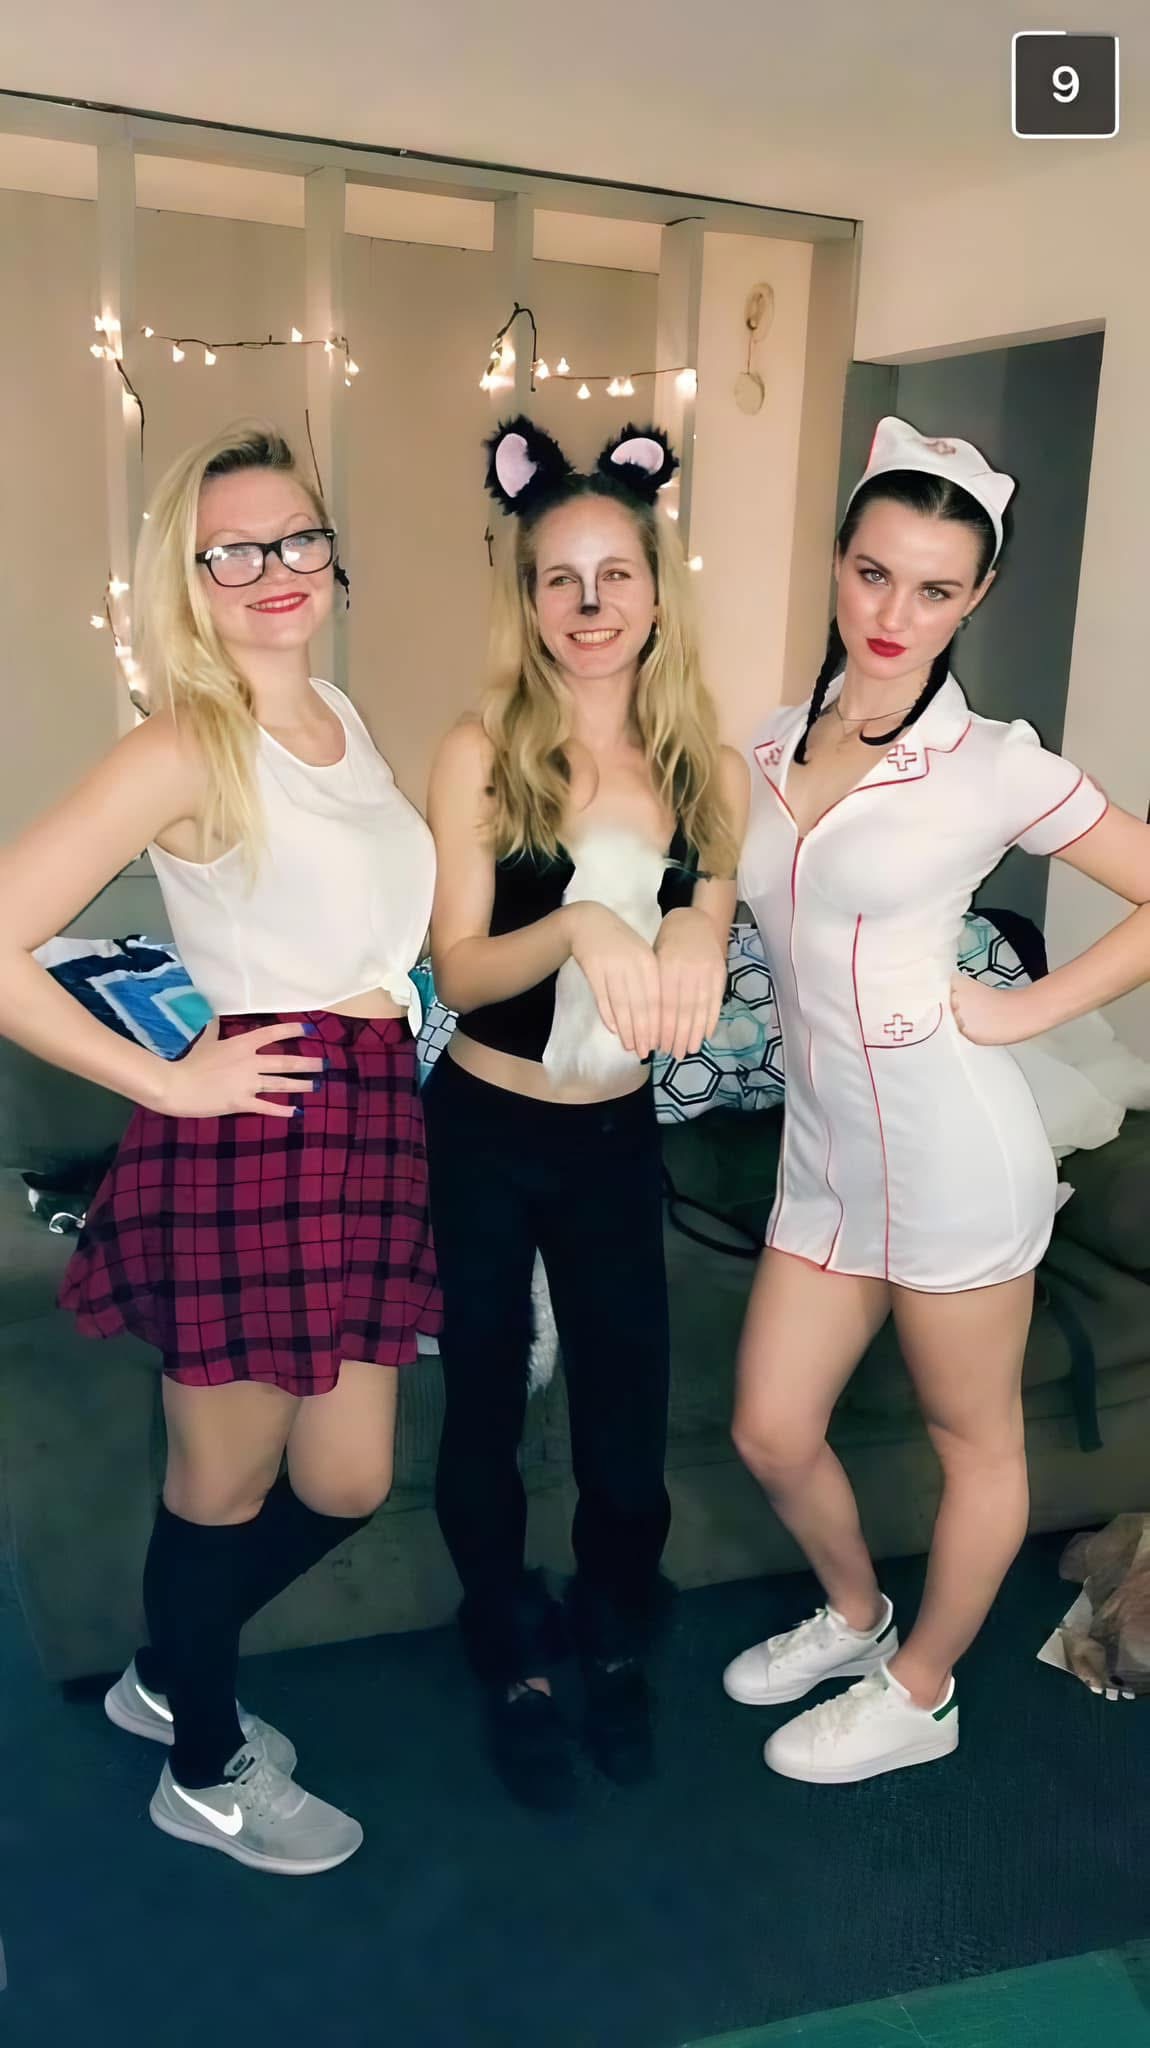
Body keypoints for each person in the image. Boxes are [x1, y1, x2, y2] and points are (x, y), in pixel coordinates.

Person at [0, 422, 439, 1873]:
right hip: (255, 1136)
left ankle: (166, 1668)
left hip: (371, 1123)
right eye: (230, 552)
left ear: (331, 552)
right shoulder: (186, 741)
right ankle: (199, 1767)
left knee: (350, 1478)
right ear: (184, 580)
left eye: (296, 538)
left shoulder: (342, 717)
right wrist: (165, 1084)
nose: (272, 570)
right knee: (223, 1487)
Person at [724, 415, 1150, 1784]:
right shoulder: (769, 741)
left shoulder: (994, 764)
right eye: (872, 573)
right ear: (837, 562)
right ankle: (858, 1615)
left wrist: (1025, 1009)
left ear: (974, 598)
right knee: (770, 1428)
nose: (892, 614)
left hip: (953, 1149)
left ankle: (920, 1693)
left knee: (976, 1442)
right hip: (824, 1158)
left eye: (933, 588)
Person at [424, 416, 749, 1807]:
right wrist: (577, 926)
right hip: (486, 1133)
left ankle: (614, 1633)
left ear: (657, 591)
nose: (590, 602)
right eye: (559, 577)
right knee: (485, 1405)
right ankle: (509, 1651)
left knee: (627, 1421)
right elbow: (458, 970)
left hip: (615, 1136)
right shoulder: (480, 752)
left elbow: (709, 919)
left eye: (615, 573)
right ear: (527, 598)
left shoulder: (705, 769)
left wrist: (689, 937)